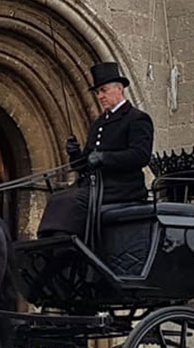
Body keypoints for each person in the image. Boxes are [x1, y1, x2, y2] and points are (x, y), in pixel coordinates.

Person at [38, 61, 155, 238]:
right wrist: (75, 154)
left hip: (121, 188)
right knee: (57, 198)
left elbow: (140, 155)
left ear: (119, 89)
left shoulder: (136, 119)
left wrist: (104, 158)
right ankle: (51, 243)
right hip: (95, 186)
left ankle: (66, 246)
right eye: (98, 92)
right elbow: (85, 164)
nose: (100, 96)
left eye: (104, 91)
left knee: (71, 201)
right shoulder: (99, 124)